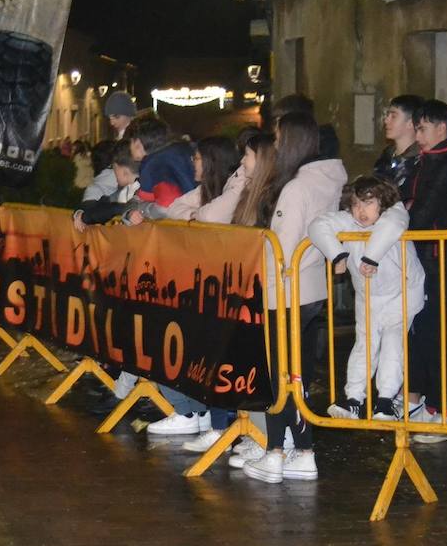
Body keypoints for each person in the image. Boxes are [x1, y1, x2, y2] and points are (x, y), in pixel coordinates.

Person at [233, 111, 346, 484]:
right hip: (310, 288)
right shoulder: (328, 182)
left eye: (280, 139)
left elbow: (280, 245)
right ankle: (299, 450)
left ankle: (279, 452)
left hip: (285, 292)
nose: (276, 146)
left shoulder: (297, 188)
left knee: (281, 376)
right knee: (297, 375)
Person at [127, 137, 241, 439]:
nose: (193, 163)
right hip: (195, 282)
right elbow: (174, 208)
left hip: (217, 287)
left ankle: (207, 419)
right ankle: (192, 411)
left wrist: (196, 217)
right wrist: (192, 216)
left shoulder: (235, 190)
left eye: (199, 159)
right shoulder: (204, 191)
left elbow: (210, 217)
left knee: (209, 353)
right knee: (175, 345)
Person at [309, 175, 424, 421]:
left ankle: (385, 400)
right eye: (356, 204)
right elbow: (318, 225)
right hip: (369, 297)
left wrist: (370, 257)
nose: (361, 211)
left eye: (369, 203)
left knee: (393, 345)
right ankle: (353, 399)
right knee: (364, 345)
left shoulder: (395, 215)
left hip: (401, 295)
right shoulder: (350, 221)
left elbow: (391, 226)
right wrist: (337, 254)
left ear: (382, 203)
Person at [405, 99, 447, 436]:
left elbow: (421, 214)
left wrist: (401, 215)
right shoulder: (430, 160)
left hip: (436, 260)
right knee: (420, 333)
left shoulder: (446, 165)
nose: (418, 135)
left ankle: (443, 410)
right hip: (424, 259)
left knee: (432, 335)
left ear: (441, 128)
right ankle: (426, 404)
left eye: (422, 128)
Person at [130, 116, 195, 208]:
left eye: (130, 142)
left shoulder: (151, 165)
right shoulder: (186, 149)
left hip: (184, 215)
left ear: (137, 143)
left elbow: (163, 202)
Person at [373, 94, 425, 205]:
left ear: (411, 123)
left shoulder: (421, 162)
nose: (386, 120)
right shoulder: (386, 156)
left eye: (393, 116)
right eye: (387, 115)